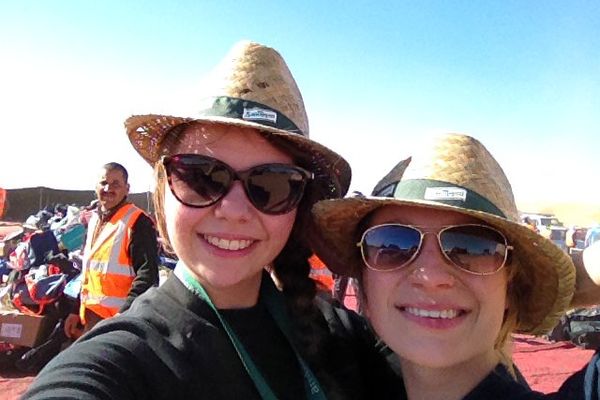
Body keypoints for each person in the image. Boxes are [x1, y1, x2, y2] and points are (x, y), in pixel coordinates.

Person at [24, 41, 399, 400]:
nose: (234, 210)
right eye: (201, 177)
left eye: (270, 185)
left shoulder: (340, 335)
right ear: (161, 190)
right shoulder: (124, 361)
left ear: (298, 205)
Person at [311, 133, 600, 399]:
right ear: (365, 288)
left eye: (474, 248)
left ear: (511, 288)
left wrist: (580, 273)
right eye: (392, 244)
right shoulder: (332, 367)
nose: (431, 277)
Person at [63, 162, 160, 338]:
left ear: (127, 189)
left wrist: (123, 315)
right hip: (91, 317)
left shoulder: (138, 222)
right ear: (95, 187)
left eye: (116, 184)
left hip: (118, 322)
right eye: (103, 183)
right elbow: (87, 272)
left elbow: (148, 277)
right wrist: (75, 309)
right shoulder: (94, 221)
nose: (108, 188)